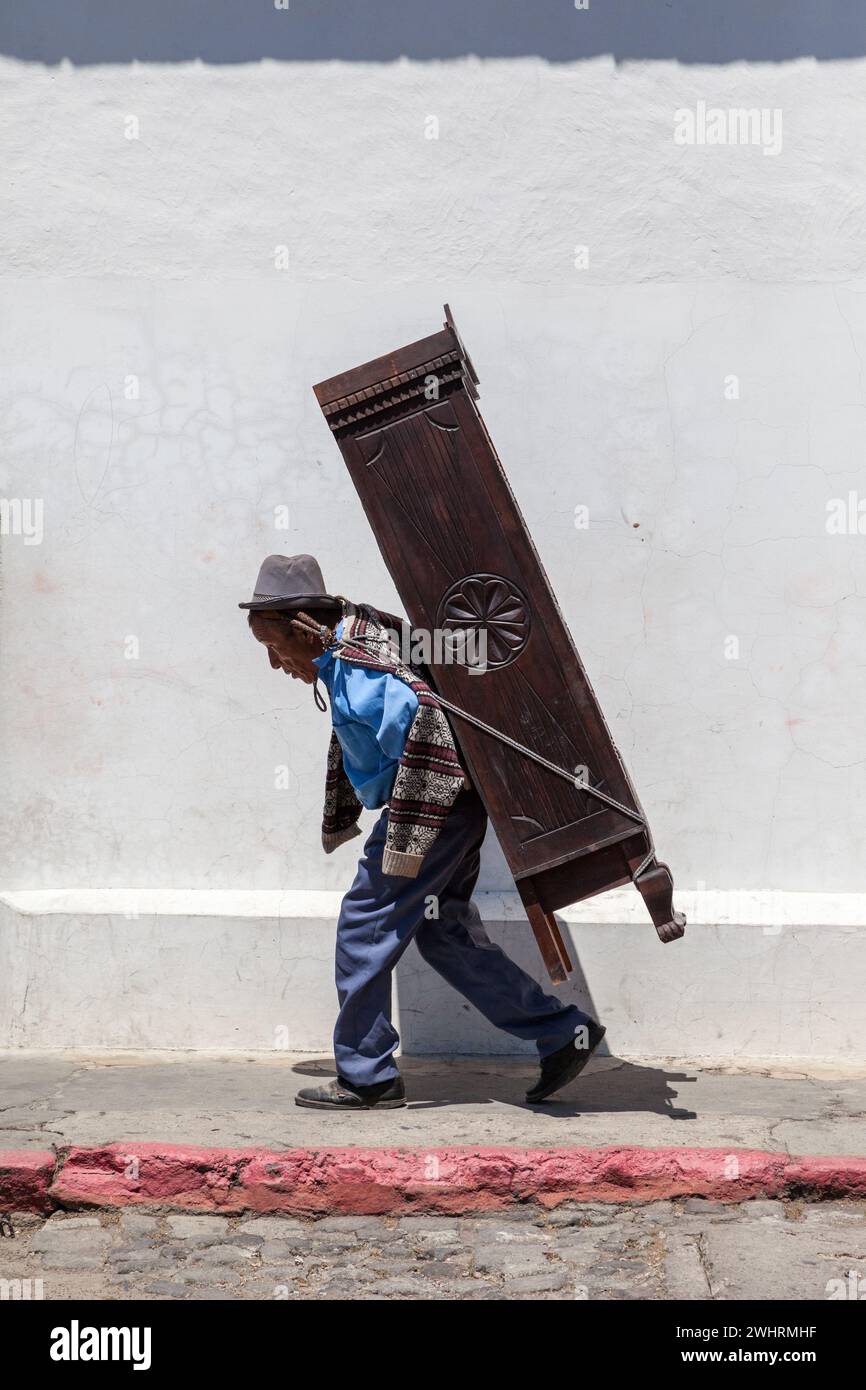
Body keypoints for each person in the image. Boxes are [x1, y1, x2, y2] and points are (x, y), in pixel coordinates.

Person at [240, 553, 605, 1109]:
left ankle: (369, 1077)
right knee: (444, 932)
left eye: (274, 649)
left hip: (428, 811)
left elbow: (426, 718)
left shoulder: (357, 663)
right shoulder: (350, 647)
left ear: (300, 628)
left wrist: (411, 830)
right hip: (448, 809)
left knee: (364, 925)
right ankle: (560, 1032)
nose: (275, 665)